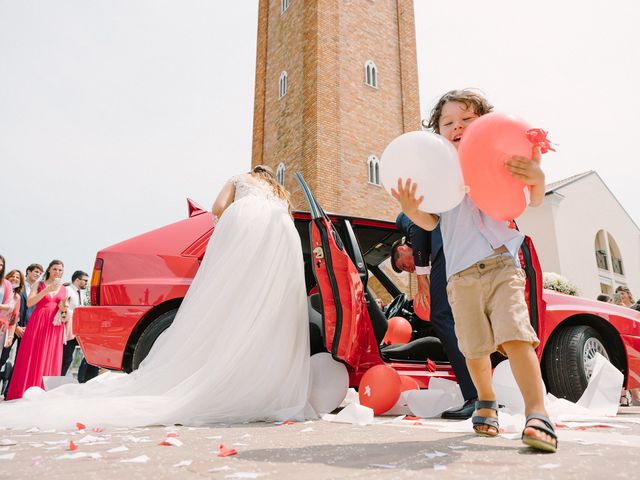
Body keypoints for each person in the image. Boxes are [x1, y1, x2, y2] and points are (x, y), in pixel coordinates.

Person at [0, 165, 311, 428]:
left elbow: (218, 209)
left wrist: (229, 237)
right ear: (273, 180)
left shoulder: (239, 179)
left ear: (252, 173)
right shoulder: (279, 203)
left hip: (242, 258)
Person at [392, 89, 557, 452]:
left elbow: (533, 200)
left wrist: (538, 178)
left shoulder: (497, 160)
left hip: (501, 264)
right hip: (461, 275)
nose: (457, 127)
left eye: (466, 120)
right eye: (448, 122)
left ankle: (538, 413)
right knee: (475, 347)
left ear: (483, 125)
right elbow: (431, 223)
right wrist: (411, 206)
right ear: (438, 132)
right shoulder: (439, 175)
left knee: (516, 337)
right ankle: (486, 401)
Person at [393, 213, 478, 419]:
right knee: (463, 319)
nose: (409, 270)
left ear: (402, 248)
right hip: (469, 247)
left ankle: (475, 396)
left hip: (450, 248)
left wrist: (422, 278)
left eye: (404, 266)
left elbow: (418, 229)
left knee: (440, 316)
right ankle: (482, 394)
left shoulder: (403, 217)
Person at [6, 260, 68, 400]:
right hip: (38, 322)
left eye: (60, 270)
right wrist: (47, 290)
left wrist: (64, 308)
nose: (57, 272)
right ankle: (22, 392)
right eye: (55, 269)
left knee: (50, 356)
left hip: (54, 326)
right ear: (49, 270)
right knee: (32, 355)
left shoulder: (64, 289)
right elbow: (29, 303)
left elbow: (62, 308)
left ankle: (44, 392)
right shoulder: (39, 284)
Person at [61, 271, 99, 382]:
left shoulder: (81, 293)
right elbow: (63, 308)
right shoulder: (68, 290)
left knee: (91, 351)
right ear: (77, 280)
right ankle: (59, 379)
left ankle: (86, 380)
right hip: (68, 330)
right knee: (66, 358)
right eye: (85, 280)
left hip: (78, 329)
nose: (87, 283)